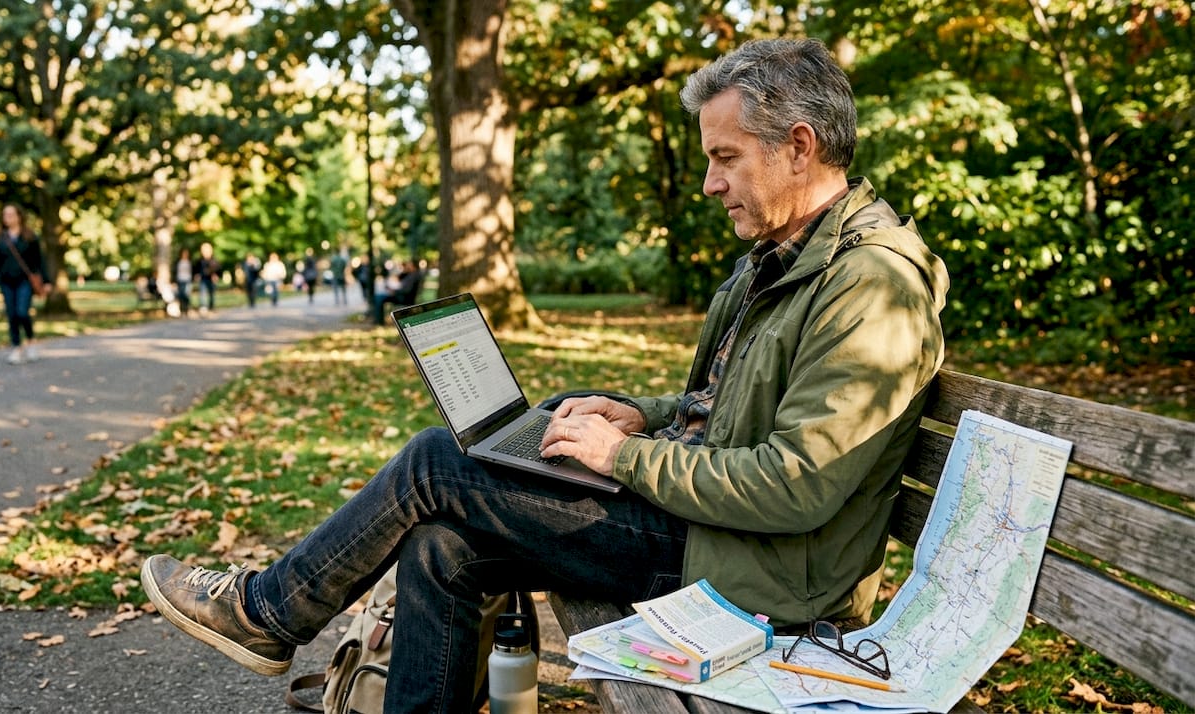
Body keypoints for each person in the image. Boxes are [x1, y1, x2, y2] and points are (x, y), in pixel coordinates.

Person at [140, 38, 949, 713]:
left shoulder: (869, 284)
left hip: (758, 577)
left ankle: (267, 612)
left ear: (799, 146)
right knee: (439, 543)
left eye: (725, 159)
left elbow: (797, 485)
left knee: (435, 462)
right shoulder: (779, 260)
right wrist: (637, 413)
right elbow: (723, 406)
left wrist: (621, 459)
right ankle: (279, 618)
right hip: (704, 529)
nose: (710, 183)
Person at [0, 204, 51, 364]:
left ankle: (30, 340)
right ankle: (16, 347)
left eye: (11, 214)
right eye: (5, 215)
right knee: (11, 314)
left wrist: (47, 280)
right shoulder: (1, 238)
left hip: (25, 281)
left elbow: (39, 261)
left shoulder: (29, 237)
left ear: (19, 216)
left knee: (22, 312)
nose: (7, 218)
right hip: (6, 281)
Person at [369, 259, 423, 325]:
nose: (408, 266)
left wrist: (394, 291)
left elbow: (406, 290)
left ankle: (379, 321)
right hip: (401, 295)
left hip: (403, 298)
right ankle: (378, 319)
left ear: (414, 266)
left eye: (409, 265)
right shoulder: (410, 274)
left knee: (379, 298)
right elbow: (399, 279)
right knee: (379, 296)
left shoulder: (414, 276)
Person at [195, 242, 219, 314]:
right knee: (202, 293)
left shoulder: (214, 260)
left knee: (211, 293)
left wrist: (216, 275)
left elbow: (218, 269)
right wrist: (197, 275)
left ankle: (211, 306)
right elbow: (197, 269)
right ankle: (203, 306)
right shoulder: (200, 260)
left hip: (211, 279)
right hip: (203, 278)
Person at [175, 248, 193, 317]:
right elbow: (175, 271)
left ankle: (187, 309)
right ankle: (181, 310)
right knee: (181, 295)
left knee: (186, 295)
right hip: (180, 280)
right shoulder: (179, 262)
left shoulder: (189, 262)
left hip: (187, 280)